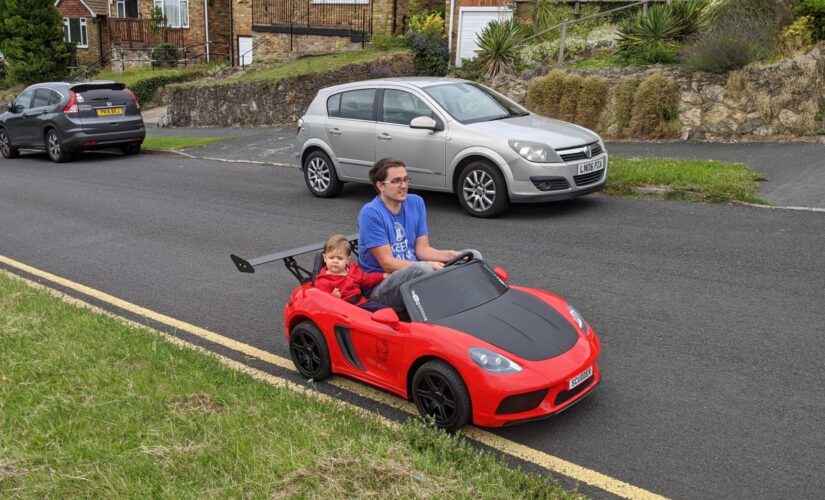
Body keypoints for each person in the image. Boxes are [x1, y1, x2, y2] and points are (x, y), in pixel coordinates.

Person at [358, 158, 480, 312]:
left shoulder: (416, 202)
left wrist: (452, 255)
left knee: (472, 255)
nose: (404, 186)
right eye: (396, 181)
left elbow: (422, 250)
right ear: (380, 185)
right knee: (423, 270)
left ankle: (473, 305)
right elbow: (387, 263)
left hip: (415, 273)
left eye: (405, 180)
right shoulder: (370, 213)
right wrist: (428, 266)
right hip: (382, 286)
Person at [314, 234, 389, 311]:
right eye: (331, 257)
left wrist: (381, 276)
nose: (335, 261)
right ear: (325, 258)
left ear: (347, 260)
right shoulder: (323, 281)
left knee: (385, 310)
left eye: (340, 258)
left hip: (362, 303)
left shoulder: (353, 271)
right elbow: (322, 303)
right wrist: (333, 297)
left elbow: (367, 278)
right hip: (344, 310)